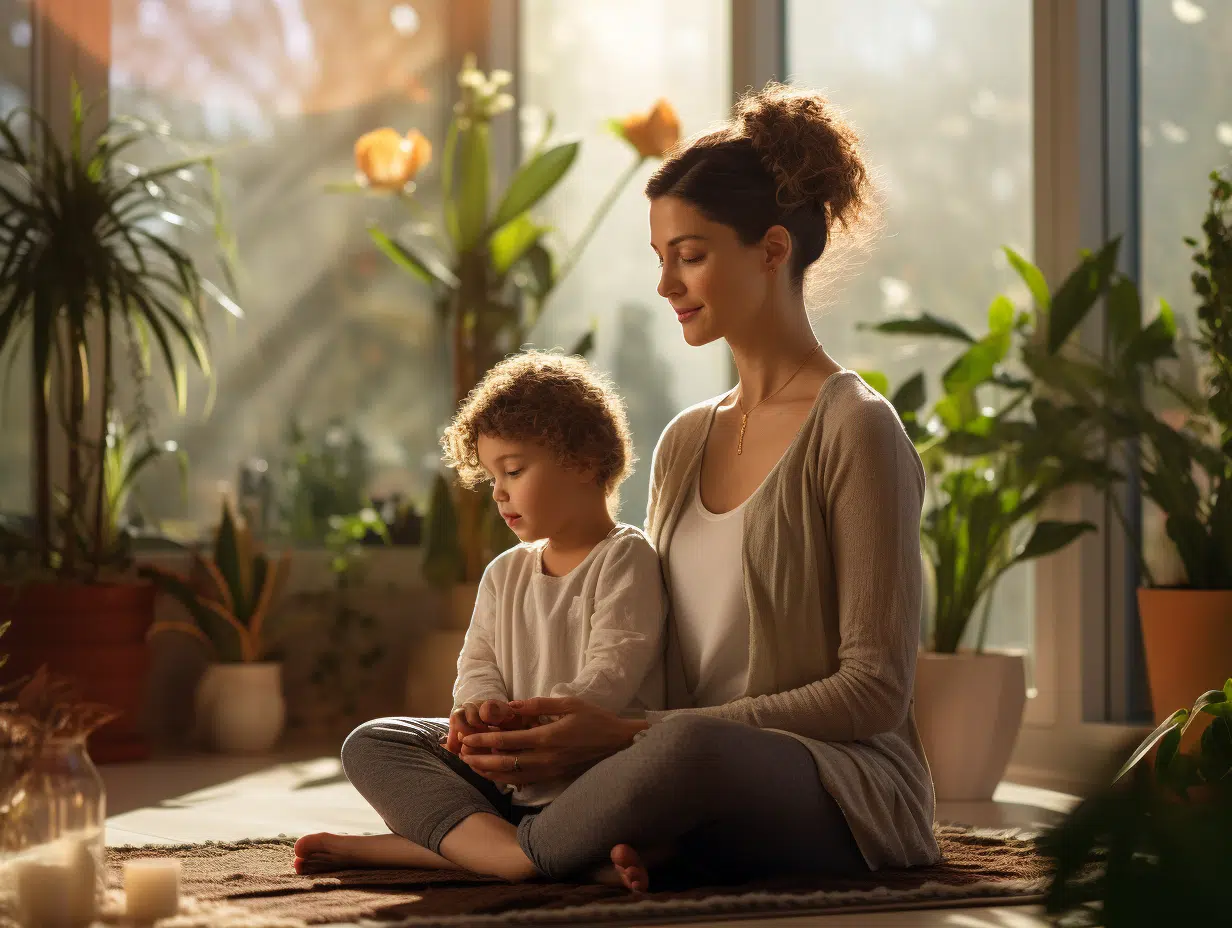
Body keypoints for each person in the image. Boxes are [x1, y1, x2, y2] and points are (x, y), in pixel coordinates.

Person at [299, 80, 939, 891]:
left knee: (686, 749)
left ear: (773, 250)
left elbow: (873, 693)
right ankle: (566, 846)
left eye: (692, 255)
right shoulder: (684, 440)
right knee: (385, 739)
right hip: (649, 761)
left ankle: (486, 852)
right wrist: (538, 730)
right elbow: (656, 643)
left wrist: (633, 730)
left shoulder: (856, 427)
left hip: (824, 782)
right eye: (661, 259)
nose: (667, 286)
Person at [295, 351, 666, 880]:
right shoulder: (503, 572)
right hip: (507, 776)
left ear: (584, 462)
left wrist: (537, 725)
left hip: (591, 778)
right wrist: (478, 713)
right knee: (375, 741)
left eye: (513, 470)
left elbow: (613, 669)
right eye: (491, 476)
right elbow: (478, 665)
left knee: (668, 783)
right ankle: (535, 856)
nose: (498, 492)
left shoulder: (625, 556)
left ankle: (442, 850)